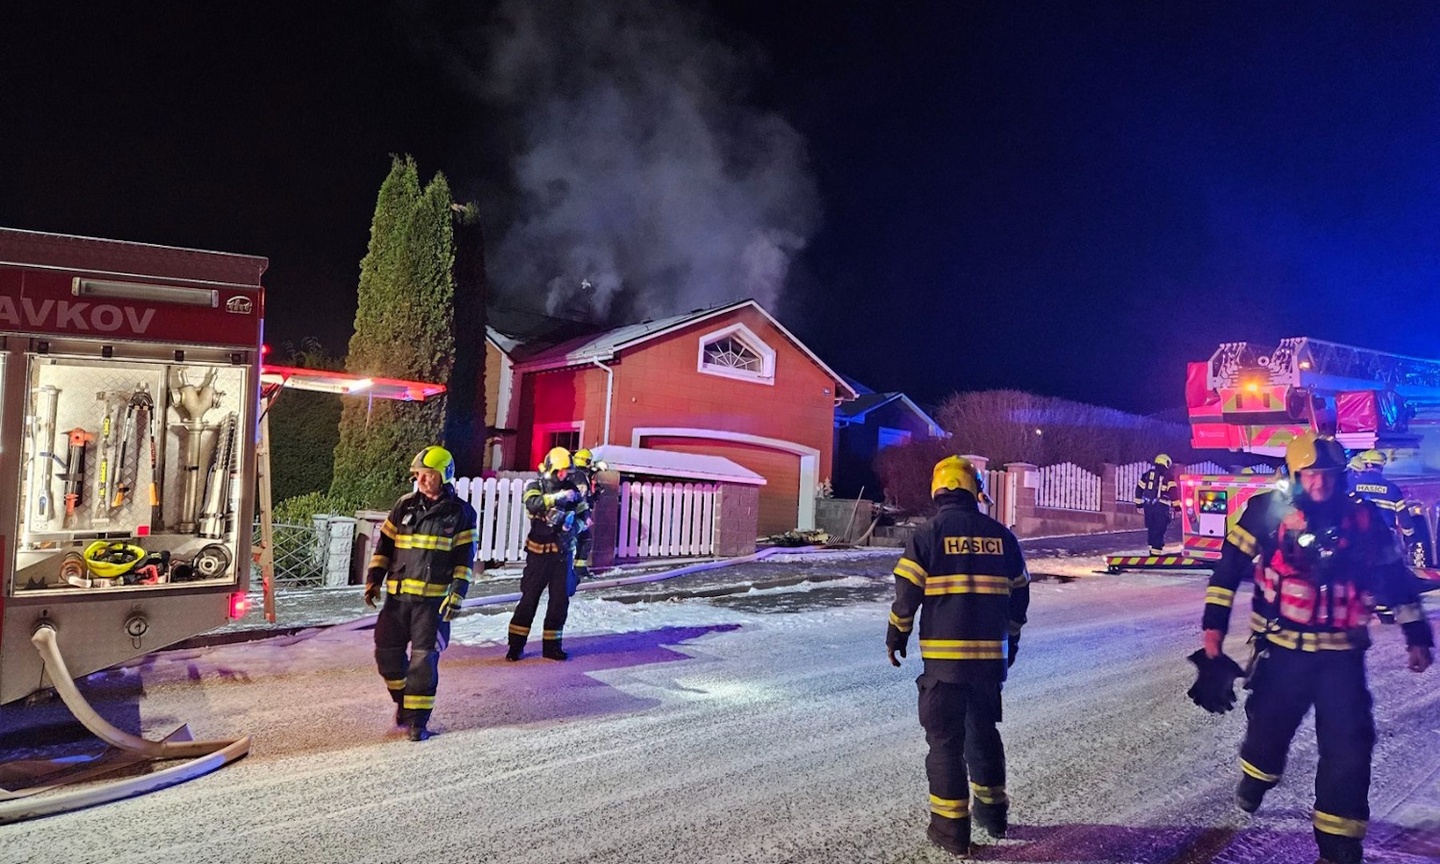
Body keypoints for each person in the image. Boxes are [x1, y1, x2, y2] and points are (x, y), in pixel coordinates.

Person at [1195, 432, 1433, 864]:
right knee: (1267, 730)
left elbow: (1395, 577)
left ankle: (1339, 846)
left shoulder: (1364, 520)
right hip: (1281, 652)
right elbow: (1228, 569)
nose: (1320, 483)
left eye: (1328, 474)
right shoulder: (1267, 512)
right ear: (1294, 475)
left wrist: (1416, 635)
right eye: (1310, 475)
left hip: (1342, 656)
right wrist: (1213, 630)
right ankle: (1258, 774)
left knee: (1349, 745)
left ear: (1341, 476)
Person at [886, 456, 1031, 856]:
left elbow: (907, 595)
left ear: (938, 490)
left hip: (944, 666)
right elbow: (1020, 596)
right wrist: (1010, 642)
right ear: (974, 491)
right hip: (988, 663)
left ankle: (951, 833)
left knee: (946, 744)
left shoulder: (927, 534)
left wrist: (896, 634)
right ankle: (994, 816)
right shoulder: (1002, 536)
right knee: (983, 733)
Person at [364, 446, 478, 741]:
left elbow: (464, 559)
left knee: (422, 663)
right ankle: (403, 702)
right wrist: (373, 580)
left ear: (444, 475)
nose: (423, 480)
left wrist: (457, 594)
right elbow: (384, 546)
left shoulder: (461, 513)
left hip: (432, 605)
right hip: (398, 600)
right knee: (386, 656)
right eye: (419, 474)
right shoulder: (404, 506)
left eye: (429, 474)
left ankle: (418, 722)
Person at [506, 446, 588, 661]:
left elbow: (585, 516)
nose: (563, 476)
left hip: (562, 555)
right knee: (529, 600)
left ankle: (552, 647)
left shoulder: (572, 489)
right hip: (538, 555)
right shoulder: (536, 486)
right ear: (551, 470)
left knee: (559, 602)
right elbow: (532, 504)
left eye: (566, 472)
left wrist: (574, 527)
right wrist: (557, 498)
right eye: (560, 471)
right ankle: (515, 646)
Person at [570, 448, 608, 588]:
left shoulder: (580, 474)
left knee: (583, 539)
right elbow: (582, 495)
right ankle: (575, 569)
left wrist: (595, 494)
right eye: (588, 461)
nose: (590, 464)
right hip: (578, 514)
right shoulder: (579, 475)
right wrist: (585, 513)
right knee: (581, 539)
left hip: (578, 513)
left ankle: (578, 568)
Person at [1134, 453, 1180, 554]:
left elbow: (1139, 489)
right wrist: (1177, 508)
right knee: (1159, 531)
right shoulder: (1168, 476)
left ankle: (1152, 551)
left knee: (1151, 530)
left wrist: (1139, 505)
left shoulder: (1146, 475)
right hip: (1161, 507)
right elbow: (1173, 493)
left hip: (1148, 507)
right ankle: (1155, 555)